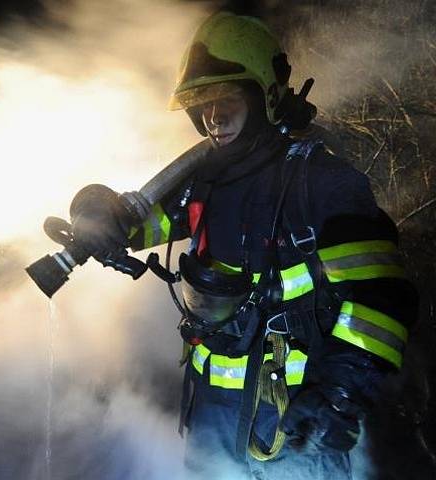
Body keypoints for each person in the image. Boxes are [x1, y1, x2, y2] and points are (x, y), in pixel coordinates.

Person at [68, 11, 417, 479]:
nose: (214, 116)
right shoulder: (205, 182)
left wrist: (339, 395)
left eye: (227, 98)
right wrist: (92, 208)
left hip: (298, 425)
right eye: (203, 104)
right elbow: (131, 225)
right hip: (211, 424)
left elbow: (382, 300)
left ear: (264, 96)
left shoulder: (322, 185)